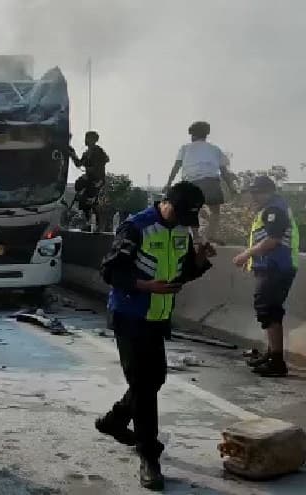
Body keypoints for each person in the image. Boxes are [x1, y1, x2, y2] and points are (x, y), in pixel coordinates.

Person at [97, 181, 215, 491]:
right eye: (178, 213)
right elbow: (110, 272)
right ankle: (149, 456)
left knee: (155, 379)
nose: (181, 222)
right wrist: (147, 286)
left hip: (159, 317)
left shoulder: (180, 231)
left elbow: (182, 272)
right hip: (129, 315)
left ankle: (114, 420)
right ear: (166, 203)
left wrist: (199, 261)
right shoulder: (136, 227)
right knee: (145, 387)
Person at [233, 176, 299, 377]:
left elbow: (273, 241)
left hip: (276, 266)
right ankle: (271, 354)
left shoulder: (274, 210)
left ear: (269, 191)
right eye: (253, 192)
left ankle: (277, 361)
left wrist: (246, 254)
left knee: (269, 311)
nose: (254, 196)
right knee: (268, 310)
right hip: (272, 266)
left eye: (258, 192)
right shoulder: (271, 208)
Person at [165, 121, 234, 243]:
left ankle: (196, 236)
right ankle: (210, 234)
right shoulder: (215, 149)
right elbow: (224, 171)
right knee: (215, 211)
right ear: (206, 135)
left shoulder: (185, 148)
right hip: (211, 182)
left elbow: (176, 166)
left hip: (191, 183)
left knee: (192, 209)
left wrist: (169, 183)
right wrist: (231, 187)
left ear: (193, 135)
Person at [70, 131, 110, 230]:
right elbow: (79, 164)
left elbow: (103, 162)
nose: (85, 140)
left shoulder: (98, 151)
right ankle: (88, 217)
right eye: (86, 138)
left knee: (88, 199)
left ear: (93, 140)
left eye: (88, 138)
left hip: (97, 180)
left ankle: (97, 221)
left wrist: (90, 170)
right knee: (78, 186)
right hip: (90, 179)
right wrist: (72, 154)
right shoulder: (86, 153)